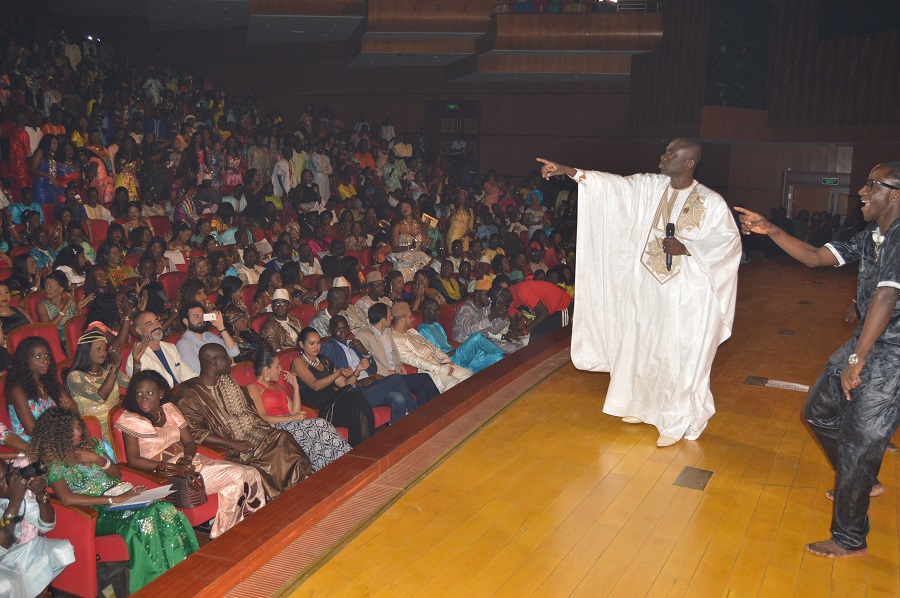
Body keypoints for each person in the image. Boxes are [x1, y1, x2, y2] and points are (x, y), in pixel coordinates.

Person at [734, 162, 900, 559]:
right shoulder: (874, 236)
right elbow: (814, 257)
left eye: (871, 185)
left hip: (892, 353)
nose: (862, 191)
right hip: (869, 339)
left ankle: (849, 538)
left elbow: (887, 295)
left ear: (894, 193)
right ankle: (860, 478)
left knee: (861, 441)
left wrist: (856, 358)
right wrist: (771, 229)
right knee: (819, 411)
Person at [537, 139, 741, 447]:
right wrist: (569, 171)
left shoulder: (710, 201)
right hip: (648, 288)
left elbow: (728, 242)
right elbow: (614, 187)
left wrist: (688, 247)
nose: (663, 156)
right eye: (665, 150)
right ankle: (641, 405)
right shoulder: (652, 187)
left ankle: (677, 419)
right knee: (644, 348)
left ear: (688, 163)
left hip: (686, 297)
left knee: (676, 355)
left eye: (672, 154)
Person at [29, 406, 198, 594]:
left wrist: (97, 459)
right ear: (56, 434)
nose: (77, 433)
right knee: (146, 518)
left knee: (165, 508)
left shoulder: (91, 445)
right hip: (95, 512)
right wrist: (113, 499)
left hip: (119, 496)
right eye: (70, 430)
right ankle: (154, 588)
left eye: (78, 426)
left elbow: (116, 474)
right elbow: (67, 499)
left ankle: (182, 573)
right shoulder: (54, 463)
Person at [117, 371, 266, 538]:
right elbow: (133, 461)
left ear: (160, 394)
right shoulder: (131, 420)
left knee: (251, 473)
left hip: (188, 463)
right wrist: (172, 466)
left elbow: (189, 442)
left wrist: (186, 459)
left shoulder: (169, 409)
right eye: (139, 394)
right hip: (164, 474)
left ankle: (240, 529)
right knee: (238, 475)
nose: (144, 398)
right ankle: (227, 536)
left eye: (150, 393)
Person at [175, 343, 313, 500]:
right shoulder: (189, 394)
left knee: (282, 437)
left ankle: (303, 487)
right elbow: (195, 432)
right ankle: (288, 496)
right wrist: (232, 443)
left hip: (253, 432)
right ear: (212, 362)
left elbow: (249, 414)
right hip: (228, 443)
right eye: (226, 358)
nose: (230, 361)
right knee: (280, 442)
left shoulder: (227, 382)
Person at [247, 349, 351, 470]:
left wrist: (295, 387)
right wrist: (292, 418)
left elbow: (295, 412)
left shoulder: (276, 386)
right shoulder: (253, 387)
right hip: (275, 429)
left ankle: (341, 463)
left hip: (290, 423)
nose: (280, 370)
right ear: (266, 369)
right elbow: (262, 417)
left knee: (318, 431)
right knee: (319, 424)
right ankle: (344, 461)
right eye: (277, 366)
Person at [319, 315, 423, 424]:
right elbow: (329, 377)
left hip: (370, 385)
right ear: (331, 331)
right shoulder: (328, 347)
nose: (343, 332)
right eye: (338, 330)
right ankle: (417, 417)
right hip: (354, 392)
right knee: (396, 379)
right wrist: (357, 383)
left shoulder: (353, 343)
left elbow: (373, 369)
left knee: (398, 398)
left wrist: (365, 352)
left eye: (345, 328)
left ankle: (396, 435)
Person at [0, 458, 75, 598]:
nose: (11, 480)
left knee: (62, 550)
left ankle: (33, 591)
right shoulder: (14, 497)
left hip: (16, 552)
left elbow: (46, 525)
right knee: (3, 586)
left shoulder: (14, 495)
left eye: (9, 473)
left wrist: (41, 494)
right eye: (4, 479)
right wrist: (15, 501)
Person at [291, 328, 375, 447]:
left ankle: (363, 452)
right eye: (311, 343)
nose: (316, 347)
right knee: (357, 403)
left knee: (358, 405)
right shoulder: (298, 362)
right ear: (301, 344)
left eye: (318, 343)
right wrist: (337, 372)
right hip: (321, 410)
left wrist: (357, 370)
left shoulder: (324, 360)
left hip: (335, 404)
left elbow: (345, 384)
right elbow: (315, 385)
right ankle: (364, 451)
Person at [6, 337, 78, 442]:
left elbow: (75, 412)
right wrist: (63, 417)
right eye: (38, 356)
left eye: (47, 355)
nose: (45, 360)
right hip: (35, 444)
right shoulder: (17, 389)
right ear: (25, 359)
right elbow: (33, 431)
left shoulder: (49, 383)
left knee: (100, 445)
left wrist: (64, 414)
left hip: (60, 437)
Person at [390, 302, 473, 392]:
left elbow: (432, 346)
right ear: (402, 320)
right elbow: (414, 360)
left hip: (438, 362)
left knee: (467, 374)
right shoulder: (395, 339)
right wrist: (439, 369)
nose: (413, 319)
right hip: (425, 371)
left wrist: (445, 358)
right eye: (410, 317)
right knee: (452, 383)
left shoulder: (411, 331)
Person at [66, 328, 130, 443]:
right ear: (86, 351)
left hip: (118, 421)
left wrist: (137, 361)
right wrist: (115, 365)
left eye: (105, 349)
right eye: (98, 348)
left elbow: (133, 385)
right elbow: (100, 397)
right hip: (95, 430)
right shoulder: (75, 376)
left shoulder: (109, 370)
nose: (103, 353)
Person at [418, 298, 503, 374]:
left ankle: (505, 358)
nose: (439, 313)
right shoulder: (422, 331)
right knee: (476, 337)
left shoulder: (437, 326)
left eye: (438, 310)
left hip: (458, 354)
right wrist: (454, 352)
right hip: (451, 359)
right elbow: (433, 356)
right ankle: (504, 354)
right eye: (435, 310)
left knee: (497, 358)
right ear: (426, 312)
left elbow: (447, 344)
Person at [126, 310, 198, 387]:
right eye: (149, 324)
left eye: (157, 321)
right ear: (139, 331)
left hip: (181, 393)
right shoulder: (137, 357)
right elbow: (146, 388)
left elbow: (188, 374)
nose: (157, 326)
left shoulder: (170, 347)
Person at [453, 279, 522, 353]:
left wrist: (501, 316)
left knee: (517, 348)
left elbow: (494, 331)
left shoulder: (485, 307)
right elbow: (468, 331)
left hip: (482, 343)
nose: (489, 297)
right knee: (501, 355)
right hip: (465, 345)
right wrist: (491, 317)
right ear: (477, 294)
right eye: (486, 294)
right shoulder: (466, 308)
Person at [175, 302, 240, 373]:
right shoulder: (183, 344)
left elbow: (234, 352)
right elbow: (199, 371)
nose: (201, 319)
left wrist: (221, 327)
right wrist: (225, 364)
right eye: (196, 316)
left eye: (202, 316)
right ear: (186, 321)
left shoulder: (209, 335)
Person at [506, 279, 572, 342]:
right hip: (548, 310)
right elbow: (513, 322)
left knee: (561, 337)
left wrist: (524, 331)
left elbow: (544, 312)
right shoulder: (508, 300)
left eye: (499, 303)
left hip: (560, 306)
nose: (500, 306)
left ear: (503, 294)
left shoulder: (521, 292)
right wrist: (512, 333)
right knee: (536, 335)